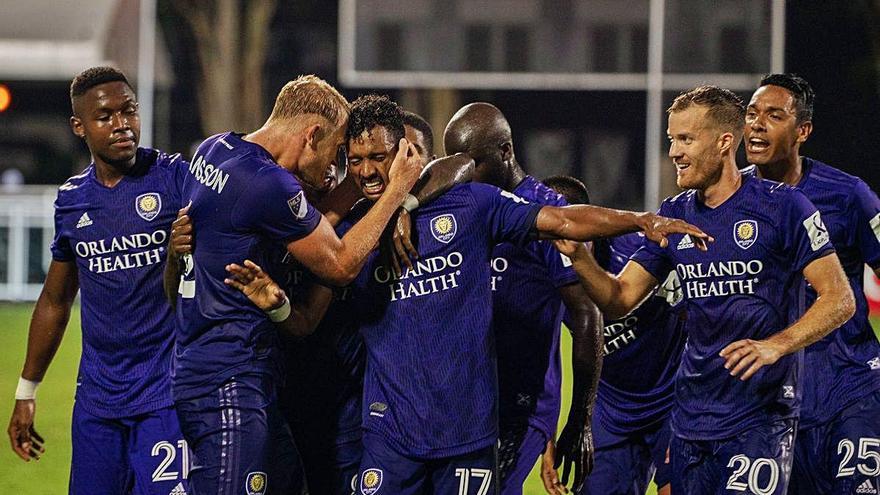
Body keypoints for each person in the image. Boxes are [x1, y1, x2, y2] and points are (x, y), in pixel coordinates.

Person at [555, 85, 856, 494]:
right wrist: (579, 256)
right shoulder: (674, 215)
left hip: (759, 417)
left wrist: (776, 345)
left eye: (686, 139)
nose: (674, 152)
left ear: (724, 142)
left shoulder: (785, 207)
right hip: (691, 420)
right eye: (671, 140)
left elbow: (840, 298)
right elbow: (619, 299)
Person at [171, 76, 424, 494]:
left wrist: (369, 184)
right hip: (230, 380)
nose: (336, 166)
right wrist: (397, 189)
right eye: (338, 151)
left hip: (212, 367)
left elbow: (308, 223)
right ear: (312, 135)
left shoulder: (216, 148)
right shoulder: (269, 184)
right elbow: (339, 265)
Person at [7, 66, 190, 494]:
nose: (122, 125)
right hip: (97, 403)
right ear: (79, 126)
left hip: (165, 396)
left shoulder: (172, 178)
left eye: (129, 111)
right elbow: (55, 299)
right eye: (106, 116)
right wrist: (26, 391)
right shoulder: (73, 201)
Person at [443, 103, 604, 495]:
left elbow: (587, 313)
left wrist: (580, 419)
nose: (466, 173)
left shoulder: (547, 213)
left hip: (522, 402)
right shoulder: (465, 205)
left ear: (506, 152)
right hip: (468, 398)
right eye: (456, 163)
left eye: (475, 162)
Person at [743, 73, 880, 495]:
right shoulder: (732, 201)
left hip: (849, 387)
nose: (757, 124)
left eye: (774, 115)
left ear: (802, 131)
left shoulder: (848, 195)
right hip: (768, 400)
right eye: (751, 114)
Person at [544, 175, 684, 495]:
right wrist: (546, 436)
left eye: (570, 225)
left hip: (672, 399)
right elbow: (541, 361)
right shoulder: (545, 275)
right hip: (611, 410)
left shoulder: (638, 253)